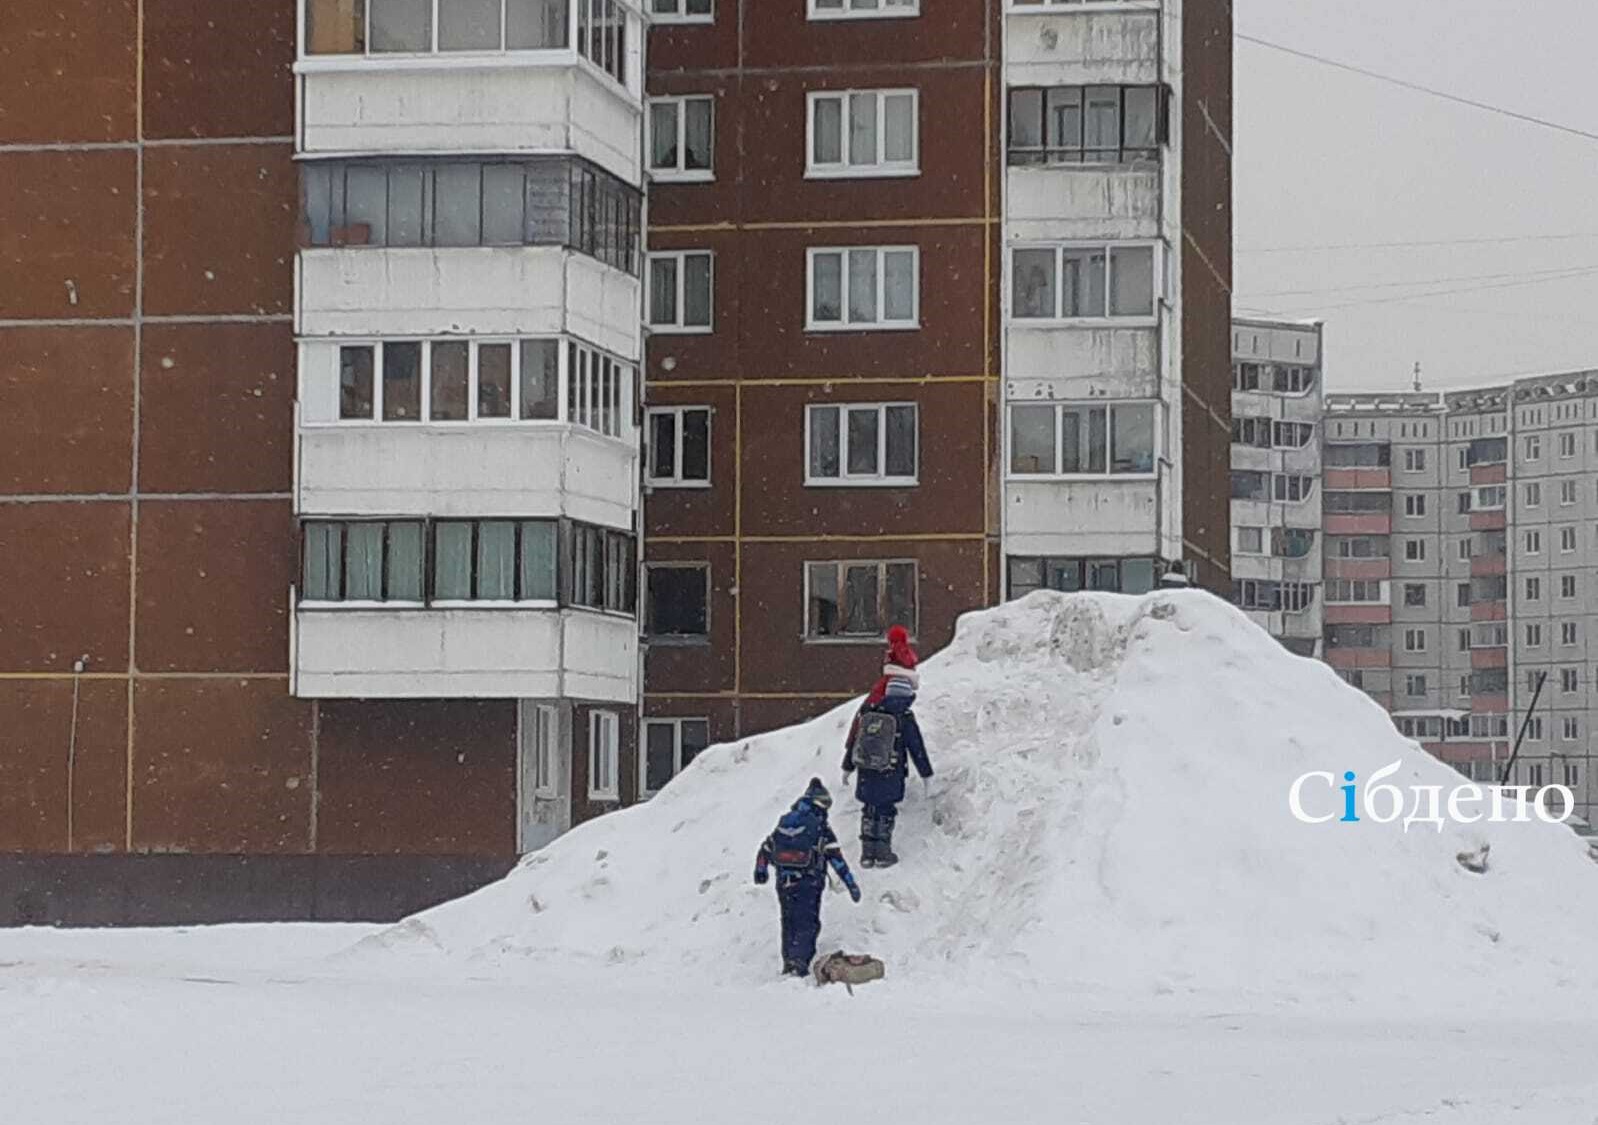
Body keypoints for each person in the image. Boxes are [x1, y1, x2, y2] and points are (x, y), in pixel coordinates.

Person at [842, 625, 934, 868]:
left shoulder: (871, 709)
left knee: (869, 811)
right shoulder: (904, 718)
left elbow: (856, 737)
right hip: (890, 772)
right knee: (885, 812)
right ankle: (882, 852)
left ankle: (866, 853)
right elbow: (917, 749)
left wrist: (847, 765)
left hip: (867, 772)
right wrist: (926, 774)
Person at [754, 778, 861, 977]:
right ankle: (800, 963)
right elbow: (836, 858)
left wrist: (761, 871)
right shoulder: (820, 826)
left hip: (784, 881)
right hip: (809, 881)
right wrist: (851, 884)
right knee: (807, 921)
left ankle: (789, 961)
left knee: (789, 920)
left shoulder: (786, 821)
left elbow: (766, 848)